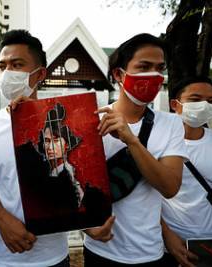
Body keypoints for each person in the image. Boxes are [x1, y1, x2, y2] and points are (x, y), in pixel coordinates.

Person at [83, 33, 187, 266]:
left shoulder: (170, 124)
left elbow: (170, 187)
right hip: (101, 251)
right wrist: (87, 227)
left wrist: (132, 141)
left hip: (149, 252)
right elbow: (73, 187)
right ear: (119, 74)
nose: (154, 75)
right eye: (144, 67)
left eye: (160, 68)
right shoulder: (90, 120)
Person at [0, 30, 70, 267]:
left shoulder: (65, 122)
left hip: (55, 256)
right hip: (7, 255)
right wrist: (0, 218)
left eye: (17, 64)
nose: (7, 73)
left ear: (40, 74)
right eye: (2, 66)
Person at [160, 77, 212, 267]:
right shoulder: (157, 143)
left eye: (211, 101)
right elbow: (143, 198)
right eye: (195, 99)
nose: (204, 106)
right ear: (176, 104)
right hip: (164, 246)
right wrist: (167, 236)